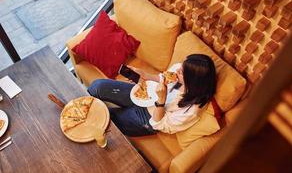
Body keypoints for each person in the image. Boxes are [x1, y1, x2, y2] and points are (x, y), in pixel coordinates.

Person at [88, 54, 218, 137]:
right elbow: (161, 77)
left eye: (182, 72)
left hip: (149, 118)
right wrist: (143, 75)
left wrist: (161, 101)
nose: (178, 69)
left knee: (104, 119)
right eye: (182, 66)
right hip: (147, 95)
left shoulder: (192, 110)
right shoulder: (178, 72)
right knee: (98, 87)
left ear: (192, 81)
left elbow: (159, 123)